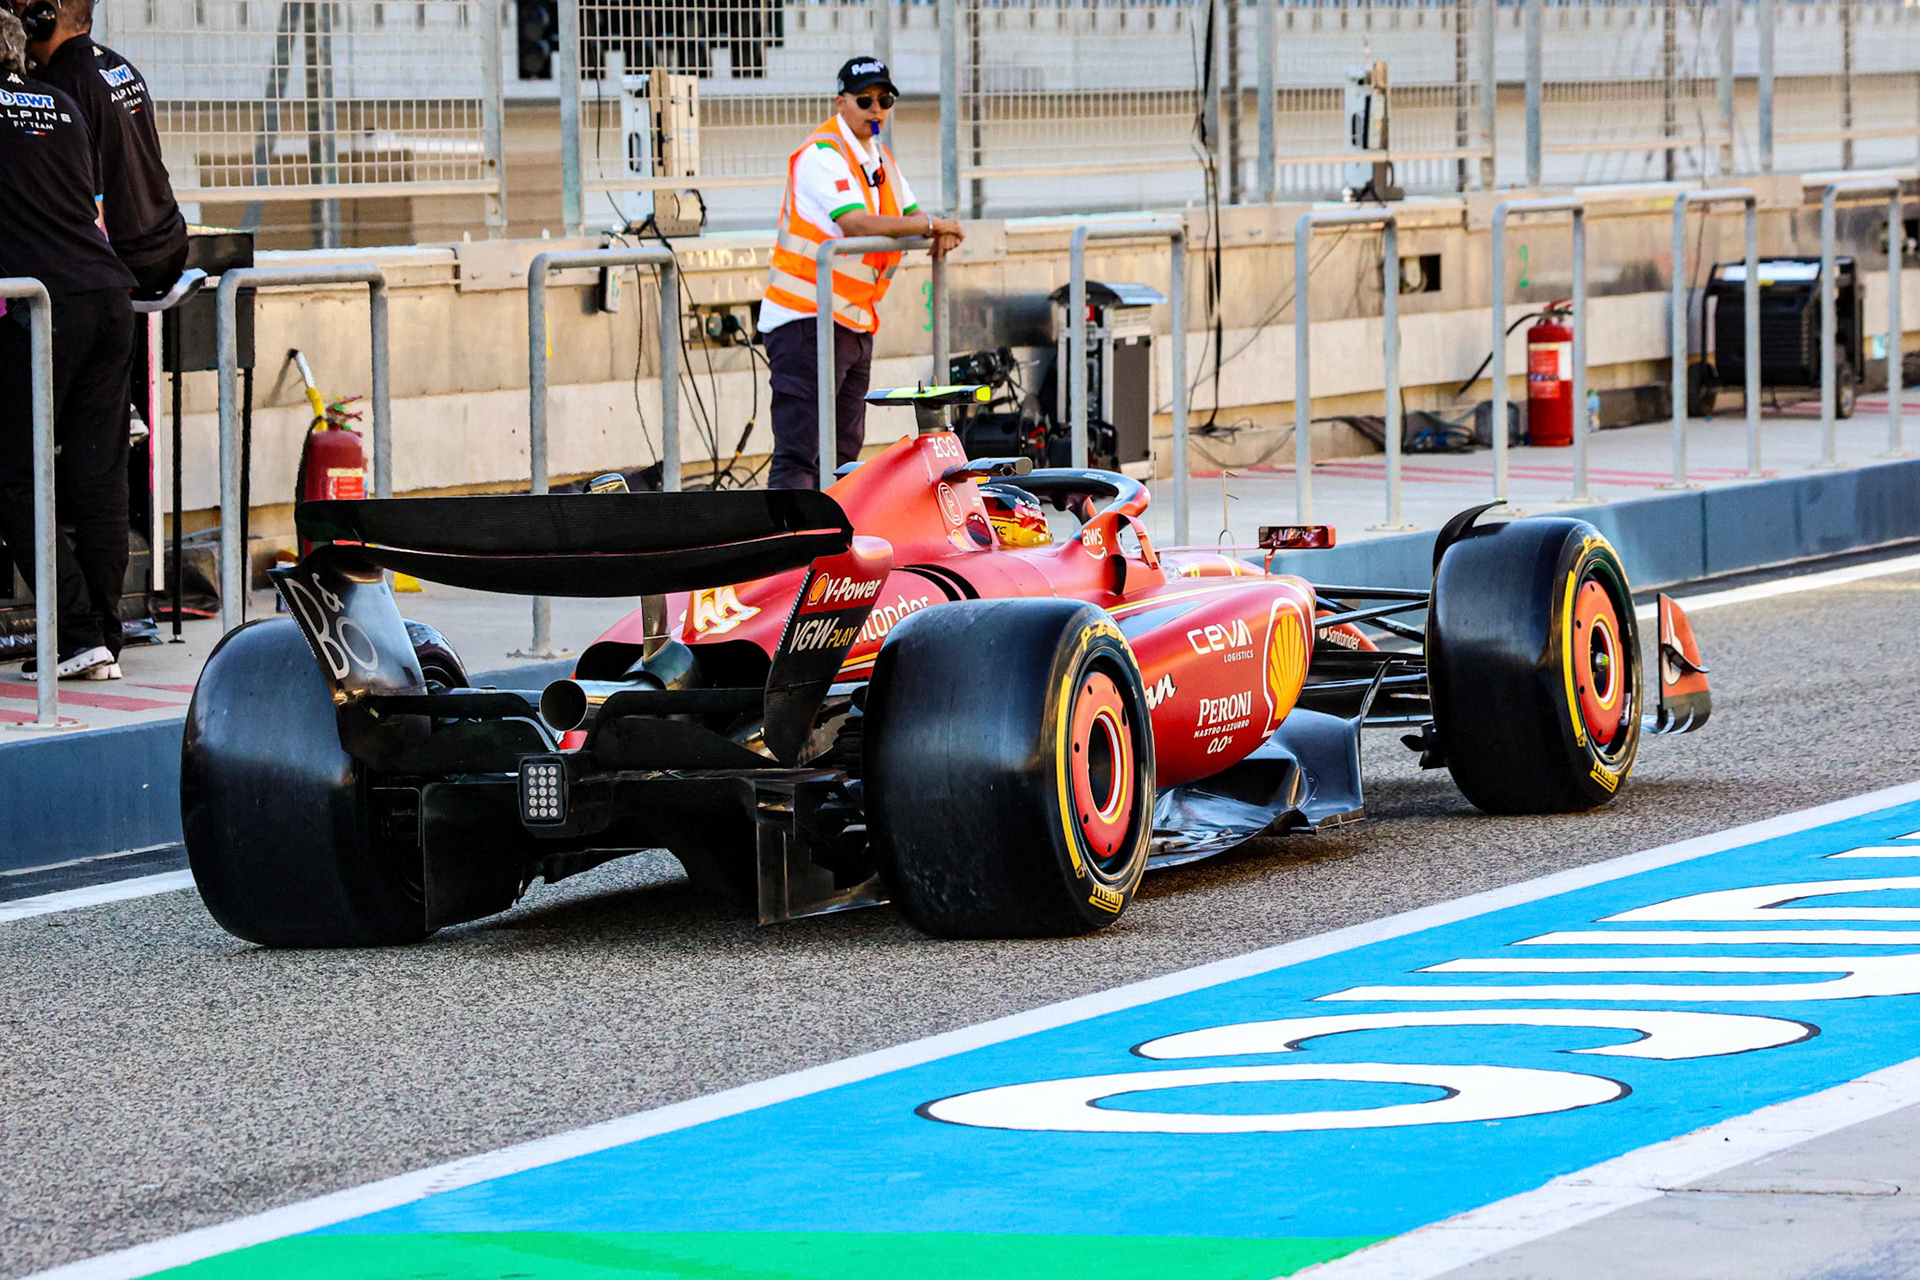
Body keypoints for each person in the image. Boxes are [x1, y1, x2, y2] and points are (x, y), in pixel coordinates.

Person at [0, 7, 138, 679]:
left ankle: (77, 630)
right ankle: (102, 636)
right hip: (109, 293)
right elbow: (94, 207)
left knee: (15, 471)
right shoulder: (57, 102)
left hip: (44, 305)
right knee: (97, 470)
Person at [757, 56, 964, 489]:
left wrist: (932, 229)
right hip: (805, 319)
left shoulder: (879, 157)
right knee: (801, 453)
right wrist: (931, 226)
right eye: (865, 100)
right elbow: (857, 224)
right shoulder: (821, 154)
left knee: (843, 453)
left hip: (851, 320)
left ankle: (831, 548)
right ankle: (789, 552)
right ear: (841, 103)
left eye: (884, 100)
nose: (876, 110)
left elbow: (909, 214)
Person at [14, 0, 186, 297]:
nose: (15, 14)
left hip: (126, 260)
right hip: (170, 243)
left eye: (21, 6)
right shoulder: (119, 64)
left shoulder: (59, 86)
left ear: (42, 17)